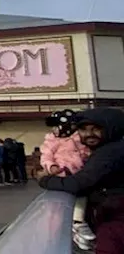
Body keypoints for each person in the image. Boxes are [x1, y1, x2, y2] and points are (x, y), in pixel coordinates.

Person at [40, 107, 124, 253]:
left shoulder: (109, 153)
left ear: (112, 127)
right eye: (83, 129)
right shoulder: (109, 149)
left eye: (96, 129)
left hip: (116, 222)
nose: (89, 134)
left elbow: (78, 183)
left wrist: (45, 180)